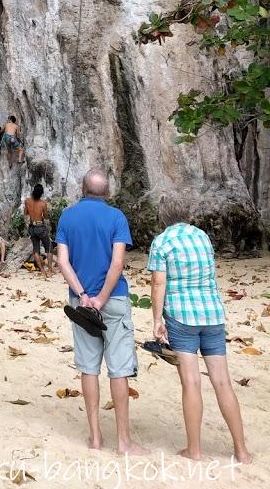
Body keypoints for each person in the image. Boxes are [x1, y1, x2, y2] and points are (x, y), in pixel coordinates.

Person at [148, 196, 251, 464]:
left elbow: (159, 284)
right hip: (212, 314)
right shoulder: (203, 237)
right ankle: (242, 451)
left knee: (191, 382)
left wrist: (157, 319)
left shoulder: (162, 242)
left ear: (163, 217)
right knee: (222, 382)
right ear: (188, 214)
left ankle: (194, 451)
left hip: (182, 316)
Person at [56, 169, 146, 455]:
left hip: (80, 304)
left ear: (82, 189)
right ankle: (123, 442)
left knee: (88, 367)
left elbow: (62, 261)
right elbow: (117, 263)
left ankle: (95, 437)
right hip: (114, 300)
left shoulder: (67, 217)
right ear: (107, 193)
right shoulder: (116, 217)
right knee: (119, 369)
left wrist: (83, 295)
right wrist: (102, 298)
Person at [24, 183, 53, 277]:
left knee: (35, 250)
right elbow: (45, 216)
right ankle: (50, 269)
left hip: (32, 228)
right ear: (41, 193)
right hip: (40, 227)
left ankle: (42, 270)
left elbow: (26, 213)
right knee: (49, 248)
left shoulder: (27, 201)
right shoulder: (43, 203)